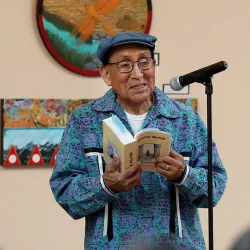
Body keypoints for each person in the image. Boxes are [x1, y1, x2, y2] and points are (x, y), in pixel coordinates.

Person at [49, 31, 227, 250]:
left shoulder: (185, 119)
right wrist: (105, 185)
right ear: (106, 74)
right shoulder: (85, 120)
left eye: (145, 62)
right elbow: (65, 192)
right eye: (124, 65)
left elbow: (215, 189)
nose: (138, 73)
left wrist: (184, 175)